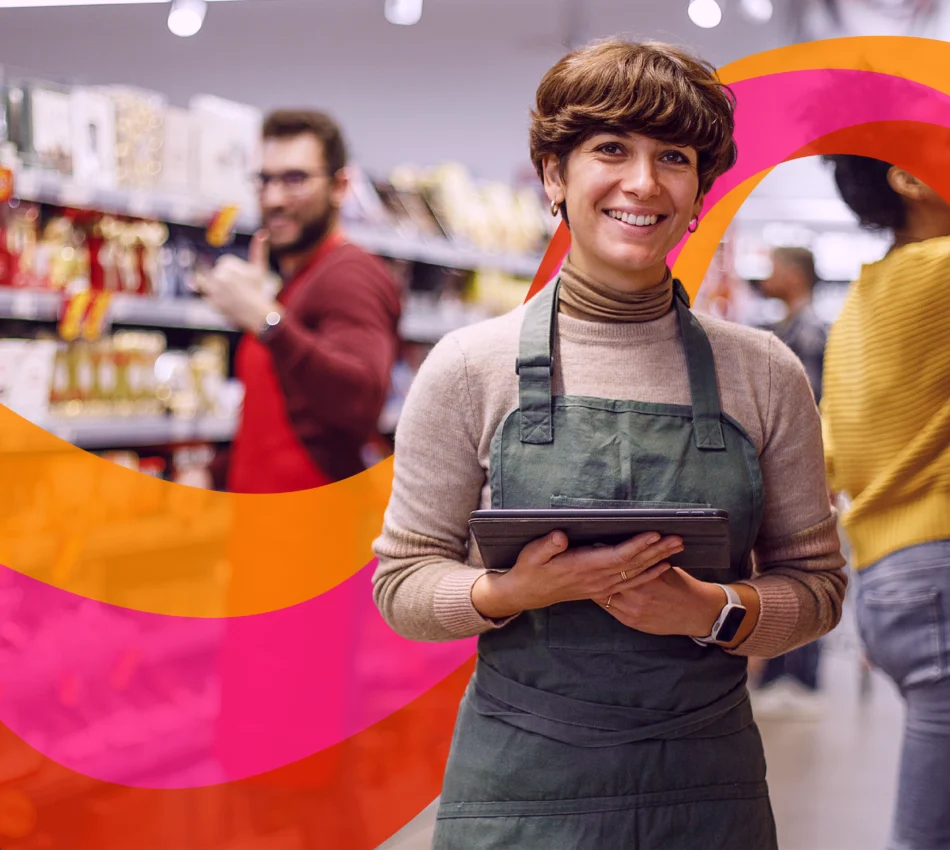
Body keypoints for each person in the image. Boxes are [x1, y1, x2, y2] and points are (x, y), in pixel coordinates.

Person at [372, 39, 847, 849]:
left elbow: (819, 588)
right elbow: (403, 583)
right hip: (520, 790)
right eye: (610, 149)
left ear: (699, 192)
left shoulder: (762, 372)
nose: (642, 182)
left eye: (674, 156)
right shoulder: (468, 368)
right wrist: (511, 593)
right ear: (555, 177)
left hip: (706, 789)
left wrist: (711, 610)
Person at [820, 152, 950, 850]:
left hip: (893, 577)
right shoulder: (943, 272)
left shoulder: (865, 297)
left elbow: (831, 448)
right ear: (909, 178)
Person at [197, 109, 402, 493]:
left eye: (295, 180)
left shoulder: (350, 274)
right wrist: (213, 473)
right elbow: (275, 419)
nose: (273, 198)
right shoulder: (297, 281)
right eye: (264, 180)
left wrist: (264, 318)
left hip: (319, 535)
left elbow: (360, 399)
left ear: (340, 186)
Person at [752, 246, 829, 718]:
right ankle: (780, 670)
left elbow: (813, 413)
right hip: (779, 465)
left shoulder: (810, 332)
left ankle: (798, 676)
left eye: (776, 268)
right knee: (777, 564)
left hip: (802, 468)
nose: (767, 276)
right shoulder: (782, 330)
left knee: (802, 560)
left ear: (796, 275)